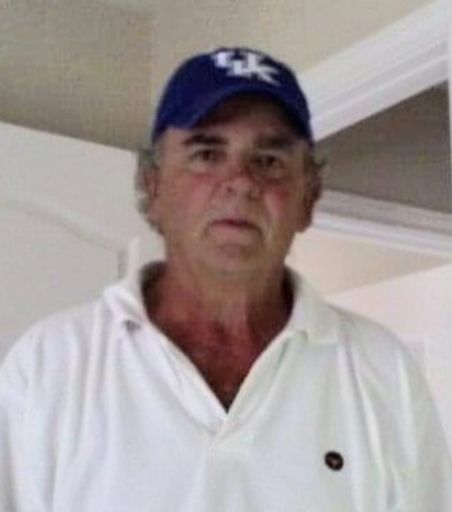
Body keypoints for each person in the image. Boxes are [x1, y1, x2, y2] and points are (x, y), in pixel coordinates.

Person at [0, 47, 451, 512]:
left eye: (269, 160)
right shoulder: (49, 365)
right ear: (154, 186)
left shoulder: (384, 372)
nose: (240, 181)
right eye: (207, 153)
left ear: (308, 198)